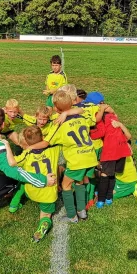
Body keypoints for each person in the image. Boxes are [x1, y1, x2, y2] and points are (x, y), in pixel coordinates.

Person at [42, 90, 99, 223]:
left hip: (77, 160)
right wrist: (68, 112)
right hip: (90, 157)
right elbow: (85, 112)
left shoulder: (59, 124)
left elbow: (46, 142)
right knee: (79, 182)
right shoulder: (82, 116)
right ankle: (82, 211)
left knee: (65, 184)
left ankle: (72, 215)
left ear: (56, 108)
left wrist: (30, 147)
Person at [7, 126, 60, 242]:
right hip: (48, 192)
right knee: (46, 214)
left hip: (32, 190)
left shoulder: (26, 154)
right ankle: (44, 224)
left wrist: (6, 145)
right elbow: (55, 131)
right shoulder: (54, 148)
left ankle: (14, 204)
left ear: (25, 141)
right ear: (42, 137)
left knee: (21, 180)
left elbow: (12, 163)